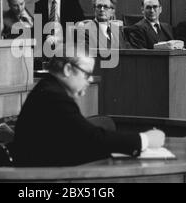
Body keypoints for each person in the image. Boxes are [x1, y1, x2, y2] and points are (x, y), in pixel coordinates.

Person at [12, 45, 165, 167]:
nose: (90, 80)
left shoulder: (49, 89)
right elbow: (92, 139)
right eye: (86, 74)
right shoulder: (53, 97)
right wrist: (144, 139)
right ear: (67, 69)